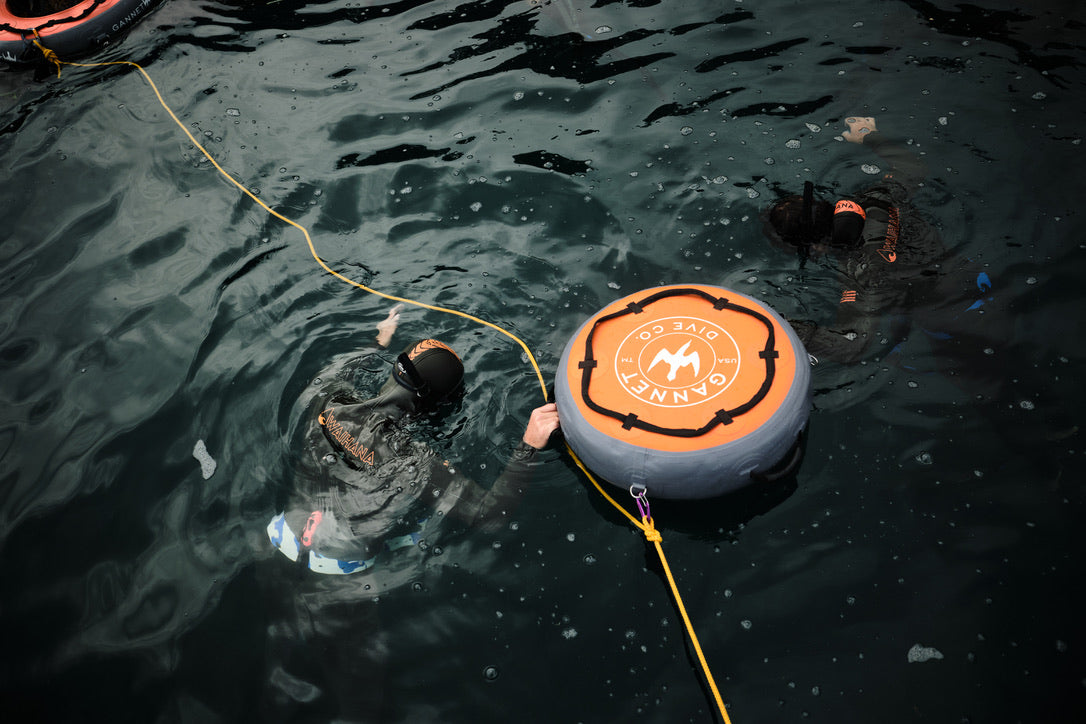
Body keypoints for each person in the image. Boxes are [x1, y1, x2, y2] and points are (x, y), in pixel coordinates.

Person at [267, 303, 561, 575]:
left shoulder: (330, 400)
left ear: (395, 370)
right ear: (438, 404)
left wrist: (378, 341)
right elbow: (490, 517)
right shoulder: (408, 459)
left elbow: (341, 368)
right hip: (342, 567)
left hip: (282, 530)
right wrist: (529, 446)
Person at [763, 116, 997, 385]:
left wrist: (776, 326)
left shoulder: (863, 270)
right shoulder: (877, 198)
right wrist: (870, 135)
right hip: (983, 285)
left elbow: (850, 345)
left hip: (959, 326)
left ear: (814, 246)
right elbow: (912, 167)